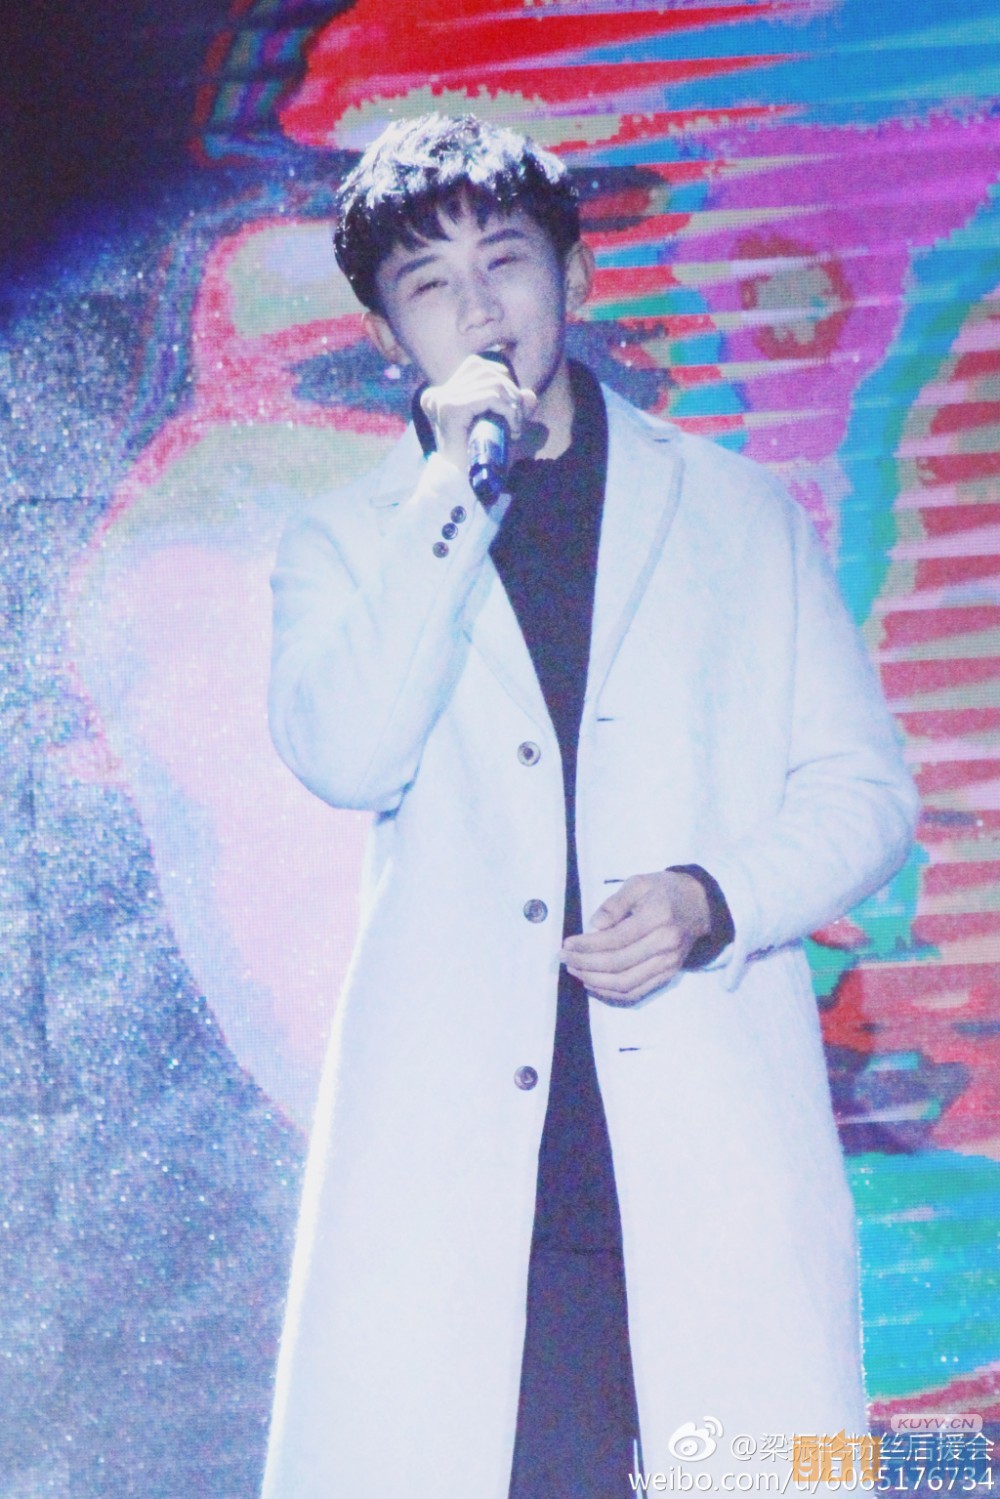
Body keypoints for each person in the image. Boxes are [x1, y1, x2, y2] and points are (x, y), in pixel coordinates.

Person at [261, 114, 918, 1498]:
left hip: (704, 1143)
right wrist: (453, 492)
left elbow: (863, 792)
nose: (480, 308)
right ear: (387, 334)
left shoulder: (739, 511)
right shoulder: (351, 541)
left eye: (505, 261)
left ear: (576, 276)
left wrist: (714, 900)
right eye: (431, 284)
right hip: (473, 1179)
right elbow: (348, 754)